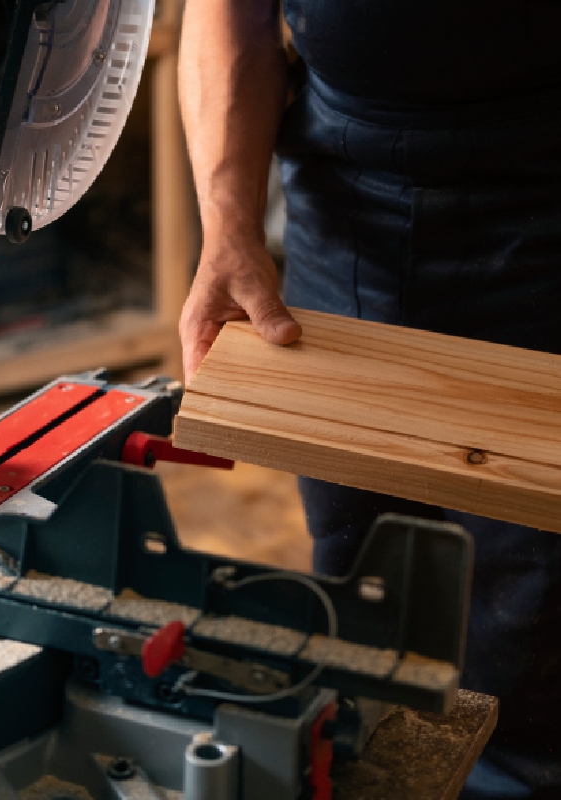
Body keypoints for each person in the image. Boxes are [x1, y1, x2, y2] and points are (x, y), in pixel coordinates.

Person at [178, 2, 561, 797]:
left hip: (543, 216)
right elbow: (228, 17)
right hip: (349, 211)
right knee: (362, 591)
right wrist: (227, 227)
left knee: (531, 616)